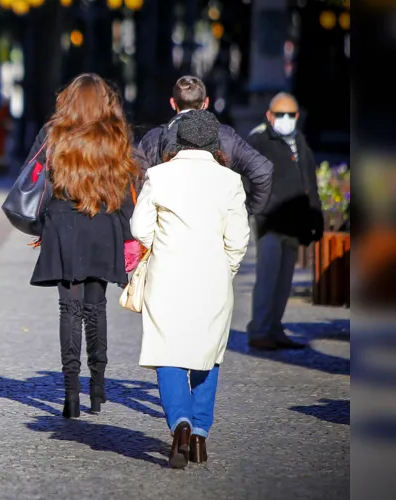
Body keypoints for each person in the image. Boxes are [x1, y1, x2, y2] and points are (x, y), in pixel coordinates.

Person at [130, 109, 251, 469]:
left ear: (178, 140)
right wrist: (226, 268)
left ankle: (179, 422)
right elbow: (238, 239)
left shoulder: (158, 175)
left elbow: (139, 228)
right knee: (208, 353)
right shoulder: (230, 181)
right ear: (215, 144)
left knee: (168, 352)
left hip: (167, 276)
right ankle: (199, 433)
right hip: (213, 278)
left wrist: (161, 244)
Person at [27, 73, 140, 419]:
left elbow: (36, 180)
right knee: (96, 306)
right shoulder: (116, 136)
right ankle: (98, 388)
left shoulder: (54, 135)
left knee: (69, 309)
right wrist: (129, 236)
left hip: (64, 225)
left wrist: (41, 225)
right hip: (103, 224)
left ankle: (71, 393)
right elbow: (125, 189)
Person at [245, 92, 323, 351]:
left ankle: (275, 328)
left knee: (284, 280)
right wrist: (262, 208)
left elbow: (308, 180)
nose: (286, 119)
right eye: (281, 115)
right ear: (269, 115)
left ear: (297, 116)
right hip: (270, 223)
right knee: (267, 278)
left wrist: (316, 216)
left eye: (291, 114)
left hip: (295, 222)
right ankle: (259, 330)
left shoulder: (299, 140)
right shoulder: (259, 140)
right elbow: (249, 179)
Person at [135, 76, 273, 215]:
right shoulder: (225, 136)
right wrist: (245, 211)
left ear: (173, 103)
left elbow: (138, 185)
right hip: (216, 227)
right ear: (206, 102)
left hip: (168, 229)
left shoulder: (153, 139)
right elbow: (263, 171)